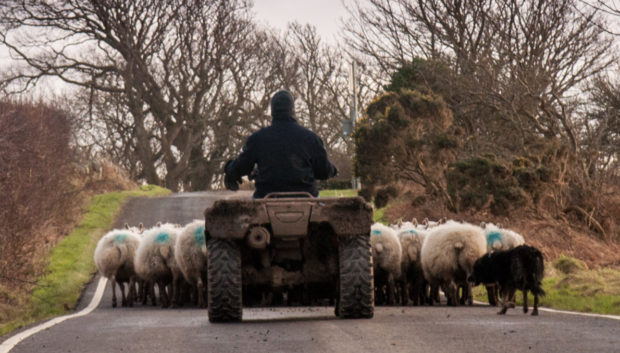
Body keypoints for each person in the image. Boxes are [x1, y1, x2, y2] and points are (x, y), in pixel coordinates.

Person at [224, 90, 337, 198]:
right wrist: (333, 170)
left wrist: (229, 169)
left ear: (272, 112)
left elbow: (242, 166)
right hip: (305, 201)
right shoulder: (311, 138)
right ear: (292, 110)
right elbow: (324, 172)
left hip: (267, 201)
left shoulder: (258, 139)